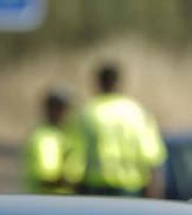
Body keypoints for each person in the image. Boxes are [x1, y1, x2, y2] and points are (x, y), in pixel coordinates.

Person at [67, 62, 166, 198]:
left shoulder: (87, 113)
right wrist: (154, 193)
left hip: (94, 189)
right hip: (130, 189)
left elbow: (75, 157)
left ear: (98, 82)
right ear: (118, 82)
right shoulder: (136, 112)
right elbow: (152, 156)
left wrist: (72, 188)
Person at [22, 89, 75, 195]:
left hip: (64, 198)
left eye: (63, 108)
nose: (61, 112)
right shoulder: (41, 136)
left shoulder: (68, 134)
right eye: (57, 108)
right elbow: (43, 178)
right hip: (43, 199)